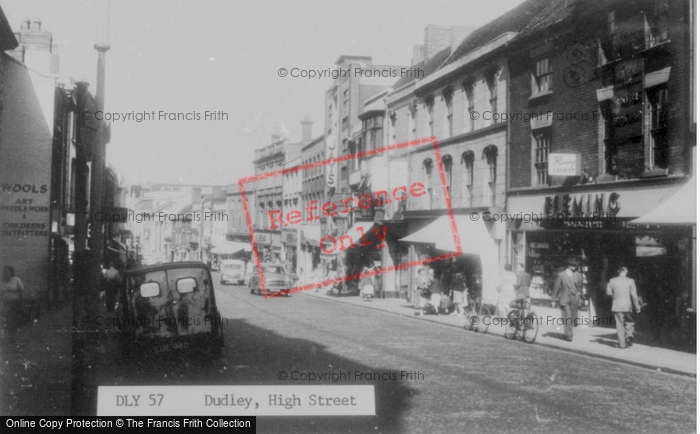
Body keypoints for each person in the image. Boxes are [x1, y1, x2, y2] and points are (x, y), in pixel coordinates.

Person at [606, 266, 641, 349]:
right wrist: (637, 306)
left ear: (618, 271)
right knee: (630, 321)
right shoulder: (631, 281)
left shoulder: (612, 280)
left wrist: (614, 296)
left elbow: (608, 292)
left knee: (619, 325)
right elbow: (634, 295)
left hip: (617, 305)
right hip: (627, 305)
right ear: (626, 271)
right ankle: (629, 335)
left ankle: (622, 344)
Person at [553, 258, 583, 342]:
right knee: (568, 316)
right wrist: (553, 300)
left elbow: (579, 286)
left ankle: (568, 332)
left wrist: (579, 294)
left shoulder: (577, 274)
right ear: (568, 266)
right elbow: (556, 288)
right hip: (564, 298)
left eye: (575, 265)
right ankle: (569, 335)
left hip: (574, 298)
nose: (574, 267)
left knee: (572, 317)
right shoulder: (561, 275)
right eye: (573, 265)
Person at [1, 266, 24, 344]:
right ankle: (3, 338)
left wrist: (20, 303)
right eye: (3, 272)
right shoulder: (2, 281)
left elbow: (21, 291)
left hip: (14, 303)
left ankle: (12, 337)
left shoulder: (16, 280)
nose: (4, 273)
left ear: (11, 272)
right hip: (4, 303)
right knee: (4, 320)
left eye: (6, 271)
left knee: (12, 321)